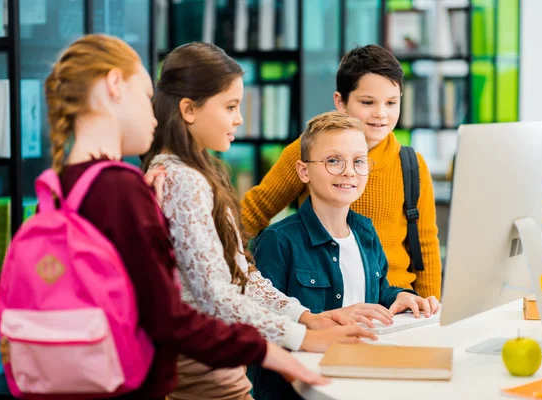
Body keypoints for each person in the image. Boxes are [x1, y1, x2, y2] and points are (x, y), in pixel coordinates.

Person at [45, 34, 327, 400]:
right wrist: (280, 348)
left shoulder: (64, 181)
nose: (154, 114)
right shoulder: (125, 187)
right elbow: (173, 312)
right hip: (165, 374)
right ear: (115, 85)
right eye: (148, 99)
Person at [142, 42, 376, 400]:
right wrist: (303, 336)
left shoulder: (196, 171)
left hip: (213, 360)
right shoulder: (180, 179)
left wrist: (304, 317)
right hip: (201, 364)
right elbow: (216, 294)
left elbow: (240, 275)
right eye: (231, 107)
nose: (239, 118)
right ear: (189, 109)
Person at [251, 111, 439, 399]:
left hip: (360, 380)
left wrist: (398, 296)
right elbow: (260, 327)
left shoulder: (366, 232)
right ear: (303, 171)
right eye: (333, 161)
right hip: (300, 390)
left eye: (358, 161)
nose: (349, 171)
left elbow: (376, 291)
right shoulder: (279, 241)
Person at [241, 45, 442, 300]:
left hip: (396, 305)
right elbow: (257, 209)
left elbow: (425, 245)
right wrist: (220, 265)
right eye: (367, 102)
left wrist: (429, 312)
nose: (381, 113)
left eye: (392, 102)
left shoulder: (411, 164)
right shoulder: (308, 151)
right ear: (340, 102)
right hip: (326, 300)